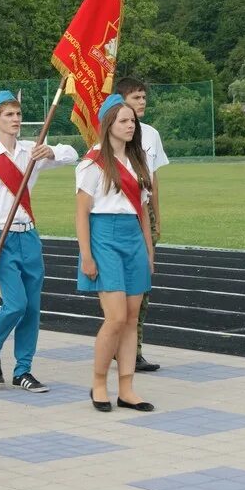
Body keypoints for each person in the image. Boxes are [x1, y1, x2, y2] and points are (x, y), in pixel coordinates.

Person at [0, 90, 77, 392]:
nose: (16, 120)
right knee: (15, 304)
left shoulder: (32, 150)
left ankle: (23, 369)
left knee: (32, 307)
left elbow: (73, 153)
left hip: (28, 234)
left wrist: (53, 152)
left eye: (18, 114)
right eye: (8, 115)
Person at [76, 95, 155, 413]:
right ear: (108, 124)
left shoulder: (138, 161)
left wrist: (149, 251)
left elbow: (143, 212)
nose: (130, 125)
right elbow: (82, 214)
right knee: (116, 317)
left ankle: (127, 389)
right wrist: (86, 255)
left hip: (133, 238)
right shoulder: (92, 163)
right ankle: (98, 384)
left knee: (132, 319)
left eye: (132, 121)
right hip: (104, 237)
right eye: (123, 120)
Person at [116, 77, 167, 372]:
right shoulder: (110, 133)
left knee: (142, 285)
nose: (142, 102)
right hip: (120, 214)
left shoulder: (151, 135)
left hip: (143, 211)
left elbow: (153, 178)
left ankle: (133, 350)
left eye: (144, 97)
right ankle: (117, 343)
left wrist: (157, 217)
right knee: (116, 286)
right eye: (136, 97)